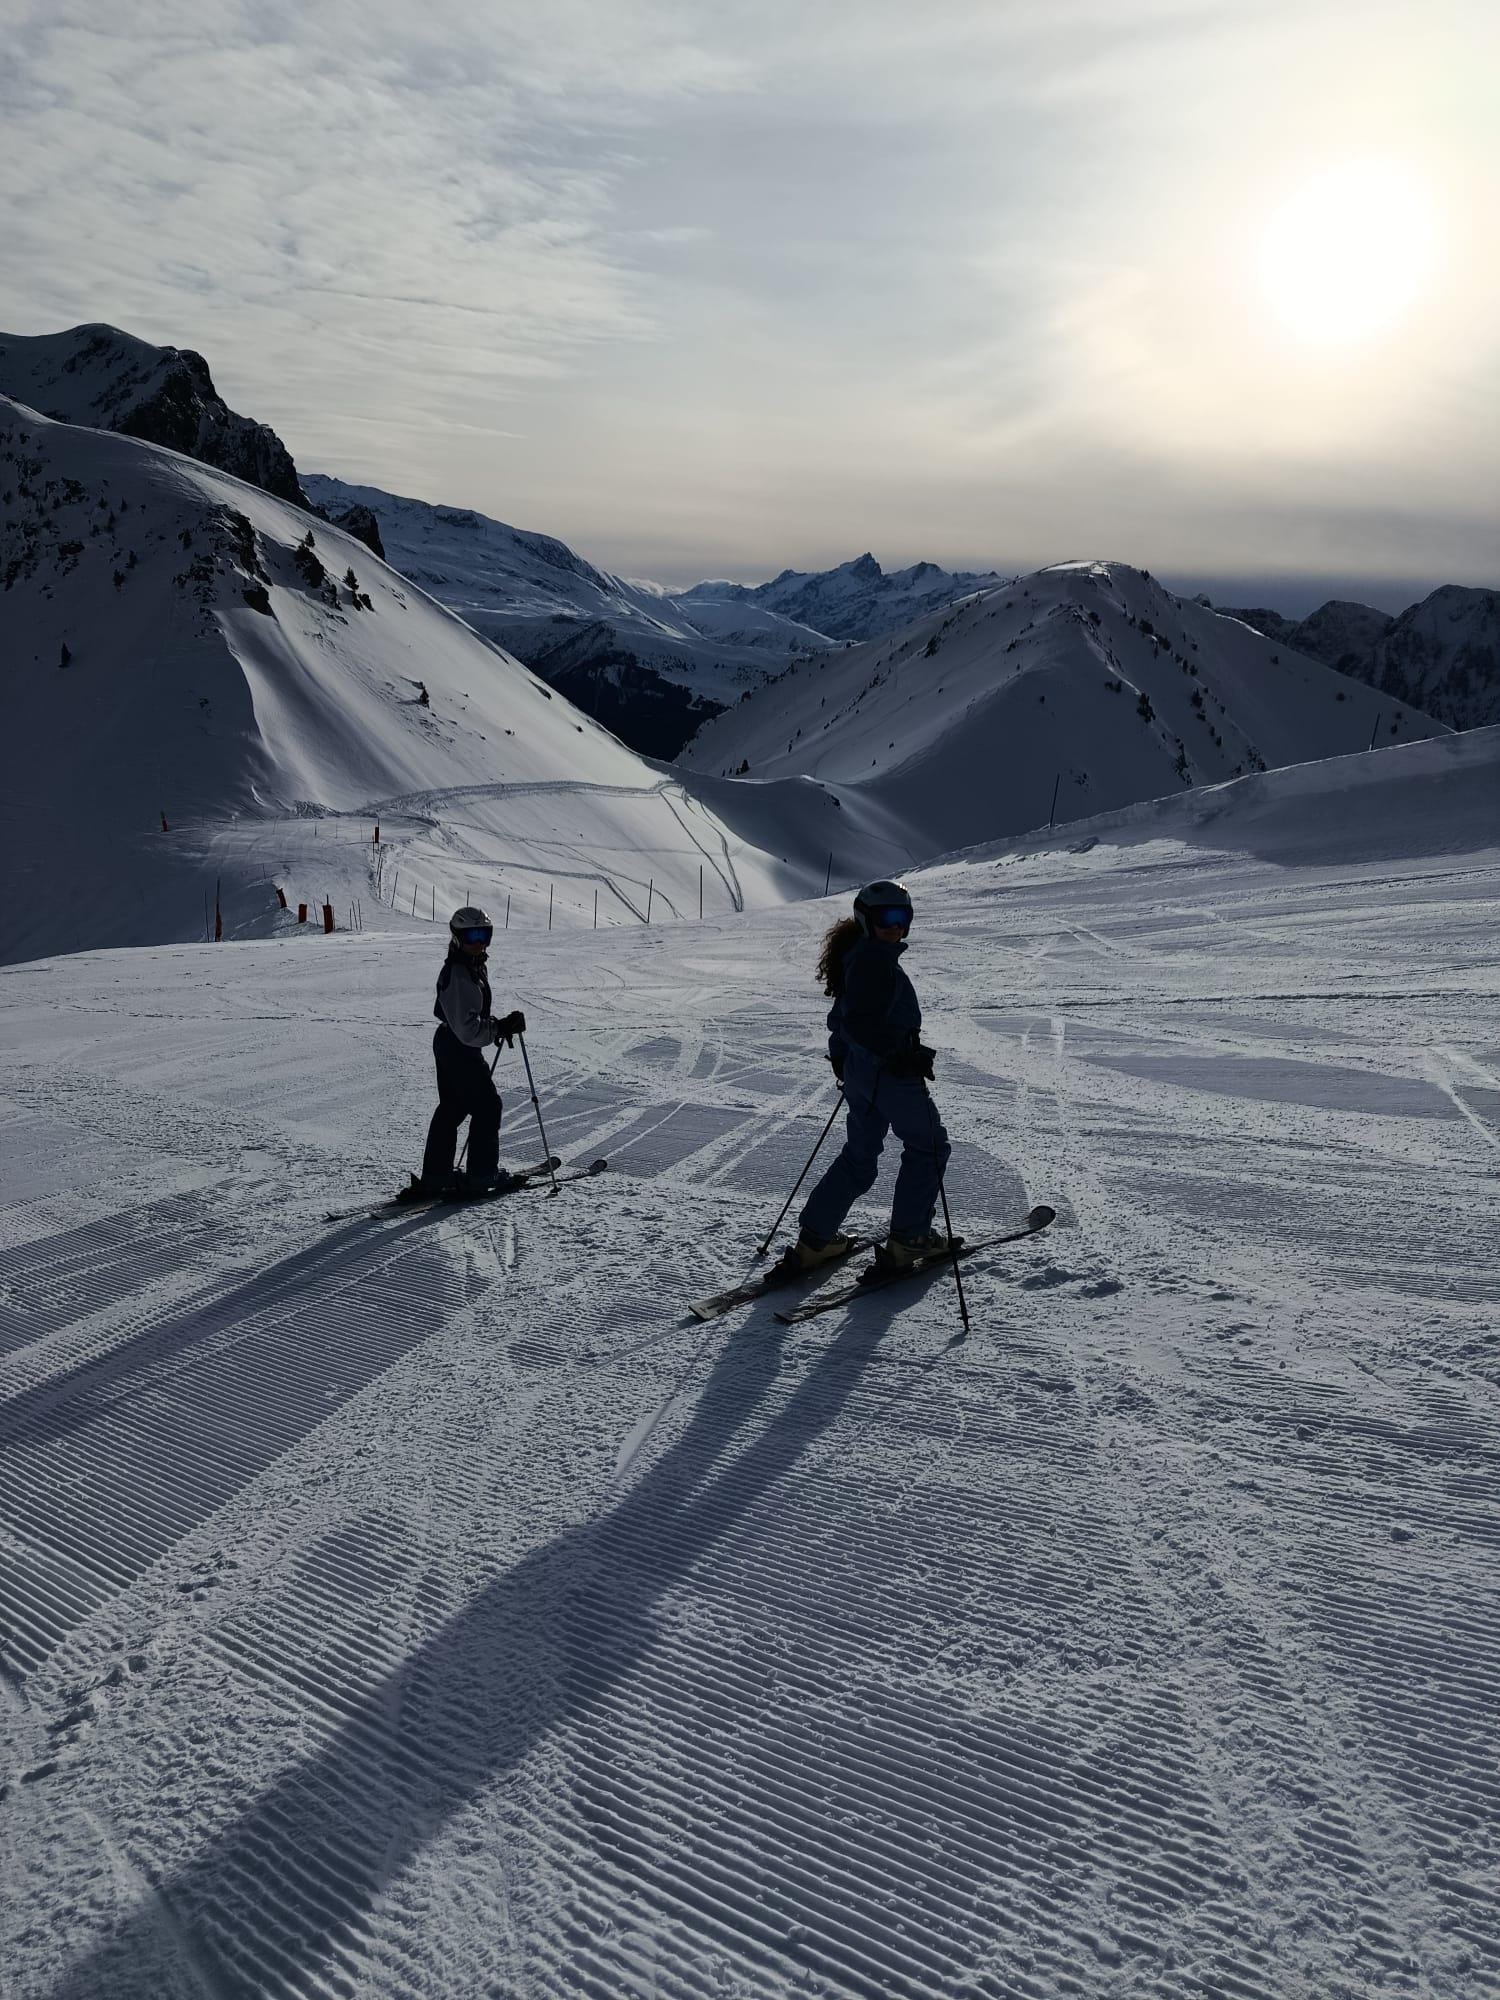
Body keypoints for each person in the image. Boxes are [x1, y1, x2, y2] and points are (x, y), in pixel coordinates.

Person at [787, 880, 961, 1272]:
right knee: (929, 1147)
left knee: (860, 1155)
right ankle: (910, 1238)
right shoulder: (874, 963)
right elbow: (861, 1023)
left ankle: (815, 1239)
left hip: (861, 1075)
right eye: (886, 918)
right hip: (889, 1075)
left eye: (902, 917)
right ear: (866, 919)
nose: (895, 926)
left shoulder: (859, 956)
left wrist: (842, 1058)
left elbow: (842, 1019)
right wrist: (901, 1056)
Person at [414, 905, 526, 1196]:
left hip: (451, 1042)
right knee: (488, 1107)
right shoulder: (460, 972)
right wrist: (498, 1028)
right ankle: (482, 1175)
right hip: (458, 1046)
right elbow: (468, 1029)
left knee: (453, 1107)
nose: (479, 943)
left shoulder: (471, 966)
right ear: (457, 937)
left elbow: (468, 1018)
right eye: (472, 936)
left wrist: (497, 1026)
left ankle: (437, 1175)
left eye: (484, 935)